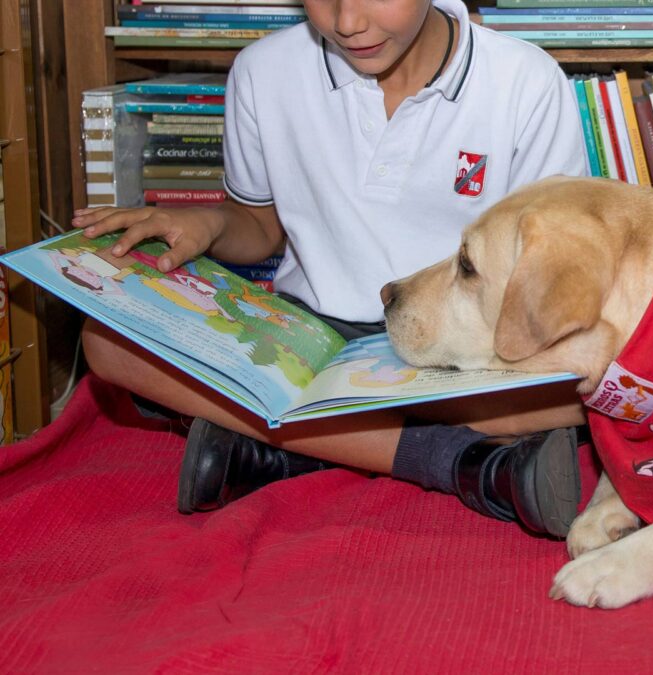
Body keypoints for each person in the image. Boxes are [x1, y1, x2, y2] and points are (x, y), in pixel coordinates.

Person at [73, 0, 590, 538]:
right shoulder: (262, 70)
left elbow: (543, 267)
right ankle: (469, 462)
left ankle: (284, 451)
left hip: (461, 353)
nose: (347, 23)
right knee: (105, 340)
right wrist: (208, 225)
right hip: (310, 336)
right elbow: (260, 224)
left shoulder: (524, 81)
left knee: (596, 382)